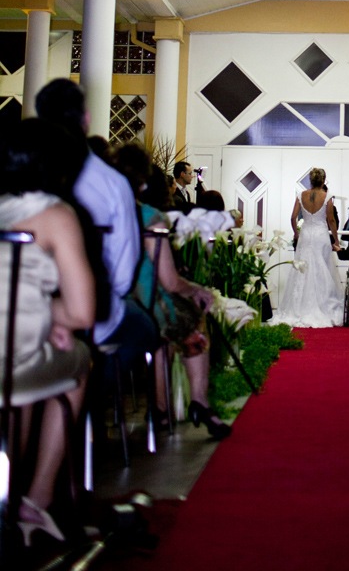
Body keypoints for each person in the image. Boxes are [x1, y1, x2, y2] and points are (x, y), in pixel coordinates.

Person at [0, 120, 95, 544]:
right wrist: (56, 317)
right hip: (13, 359)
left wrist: (47, 318)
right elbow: (83, 312)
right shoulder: (56, 215)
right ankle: (35, 500)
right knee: (77, 362)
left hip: (18, 349)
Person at [35, 79, 157, 377]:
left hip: (18, 315)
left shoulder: (25, 176)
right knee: (146, 329)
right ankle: (89, 400)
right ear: (87, 119)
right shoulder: (111, 183)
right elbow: (124, 273)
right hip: (91, 319)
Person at [113, 152, 231, 441]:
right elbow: (169, 281)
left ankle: (160, 408)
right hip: (143, 303)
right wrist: (197, 290)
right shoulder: (149, 217)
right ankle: (199, 402)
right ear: (143, 184)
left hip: (108, 305)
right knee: (190, 322)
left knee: (164, 337)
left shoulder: (103, 212)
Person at [272, 167, 344, 328]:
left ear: (310, 181)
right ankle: (323, 305)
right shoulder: (327, 197)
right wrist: (336, 239)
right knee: (322, 269)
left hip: (306, 234)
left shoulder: (301, 195)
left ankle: (299, 307)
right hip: (321, 236)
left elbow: (292, 217)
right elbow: (331, 220)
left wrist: (296, 233)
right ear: (323, 181)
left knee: (302, 270)